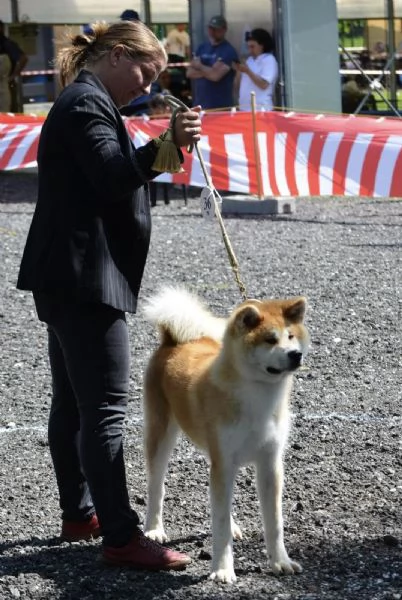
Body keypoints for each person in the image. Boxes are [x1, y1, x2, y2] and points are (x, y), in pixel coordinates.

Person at [16, 19, 201, 571]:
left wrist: (166, 146)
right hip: (84, 279)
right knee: (104, 410)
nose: (146, 86)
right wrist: (164, 146)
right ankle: (121, 537)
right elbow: (112, 176)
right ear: (118, 55)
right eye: (147, 71)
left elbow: (114, 172)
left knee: (73, 402)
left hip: (68, 276)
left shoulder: (89, 101)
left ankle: (79, 513)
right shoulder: (84, 105)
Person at [186, 15, 239, 110]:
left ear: (224, 30)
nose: (213, 32)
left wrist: (200, 66)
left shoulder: (228, 51)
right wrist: (210, 71)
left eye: (217, 29)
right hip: (200, 105)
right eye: (211, 28)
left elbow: (215, 76)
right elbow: (189, 73)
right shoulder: (201, 47)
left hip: (221, 107)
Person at [234, 28, 278, 112]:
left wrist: (248, 71)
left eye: (253, 47)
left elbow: (264, 85)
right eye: (248, 47)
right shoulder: (249, 60)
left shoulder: (269, 60)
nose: (250, 50)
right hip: (244, 109)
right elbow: (237, 85)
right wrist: (239, 70)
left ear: (262, 45)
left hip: (261, 110)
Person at [0, 20, 28, 112]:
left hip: (5, 85)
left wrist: (12, 77)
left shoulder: (7, 44)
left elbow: (23, 58)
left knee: (9, 113)